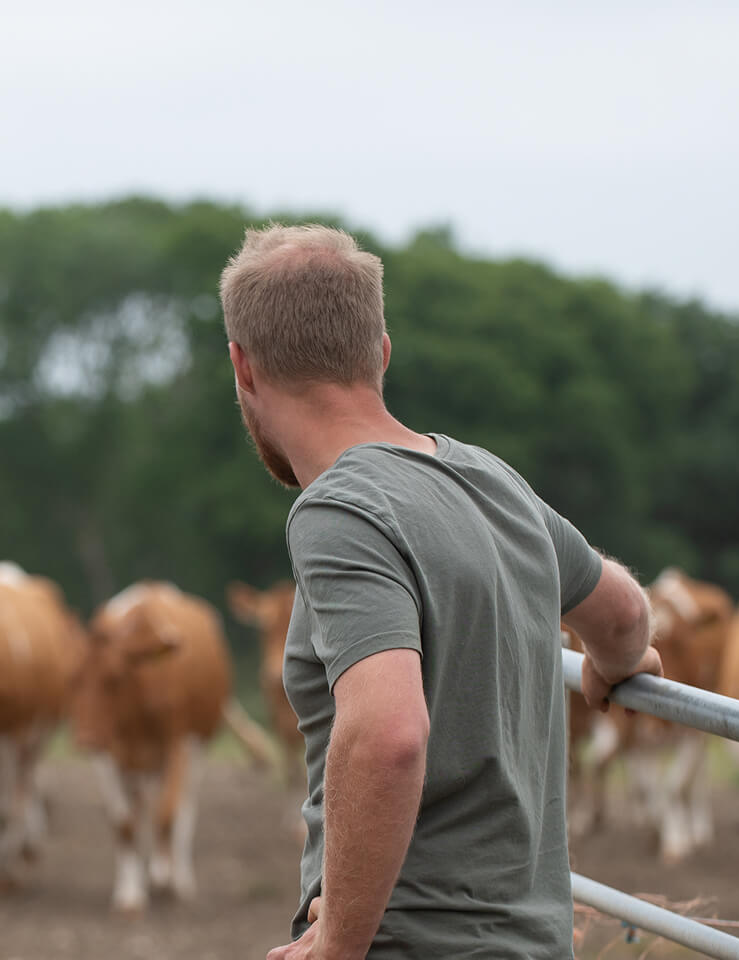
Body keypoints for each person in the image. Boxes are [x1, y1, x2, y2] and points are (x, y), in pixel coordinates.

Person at [222, 224, 662, 960]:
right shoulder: (492, 481)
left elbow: (390, 736)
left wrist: (336, 946)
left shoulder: (340, 509)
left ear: (243, 368)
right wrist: (616, 665)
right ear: (381, 353)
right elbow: (624, 614)